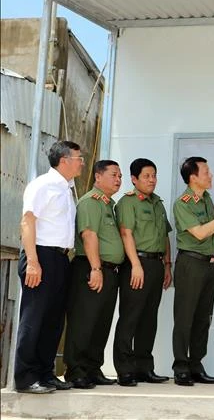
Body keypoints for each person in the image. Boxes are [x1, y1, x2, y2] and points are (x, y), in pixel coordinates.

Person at [14, 141, 83, 394]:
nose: (81, 162)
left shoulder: (67, 189)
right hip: (41, 255)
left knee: (53, 321)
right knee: (34, 319)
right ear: (64, 160)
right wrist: (32, 261)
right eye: (78, 157)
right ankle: (25, 377)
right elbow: (27, 221)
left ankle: (45, 374)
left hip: (61, 259)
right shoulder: (42, 185)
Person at [171, 157, 214, 386]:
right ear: (193, 178)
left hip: (209, 265)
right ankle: (181, 367)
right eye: (206, 172)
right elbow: (200, 233)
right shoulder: (183, 203)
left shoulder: (207, 198)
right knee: (185, 318)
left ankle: (196, 365)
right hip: (190, 264)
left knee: (202, 319)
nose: (211, 176)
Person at [64, 160, 124, 389]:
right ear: (98, 177)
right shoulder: (91, 202)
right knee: (84, 321)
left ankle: (92, 367)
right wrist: (96, 269)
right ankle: (76, 370)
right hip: (91, 268)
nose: (118, 179)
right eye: (113, 175)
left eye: (120, 176)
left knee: (101, 322)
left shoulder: (109, 204)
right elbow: (89, 235)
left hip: (109, 271)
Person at [113, 158, 173, 386]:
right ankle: (125, 370)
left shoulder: (158, 203)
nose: (152, 180)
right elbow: (126, 234)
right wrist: (136, 265)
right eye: (147, 176)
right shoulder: (128, 203)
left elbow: (164, 235)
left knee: (149, 319)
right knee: (130, 317)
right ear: (134, 179)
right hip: (136, 264)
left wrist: (167, 265)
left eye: (154, 175)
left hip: (156, 265)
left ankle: (144, 367)